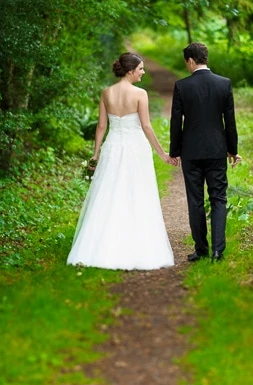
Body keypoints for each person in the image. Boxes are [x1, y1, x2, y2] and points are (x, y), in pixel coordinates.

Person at [67, 52, 175, 270]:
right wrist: (162, 153)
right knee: (137, 193)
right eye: (141, 69)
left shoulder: (107, 93)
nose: (143, 73)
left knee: (109, 193)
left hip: (113, 147)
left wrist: (96, 154)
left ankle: (101, 246)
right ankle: (136, 245)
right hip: (136, 148)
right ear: (130, 71)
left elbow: (101, 127)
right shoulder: (140, 94)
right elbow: (146, 126)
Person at [169, 42, 242, 262]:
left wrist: (175, 151)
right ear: (205, 58)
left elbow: (176, 122)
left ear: (190, 60)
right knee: (219, 198)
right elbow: (230, 121)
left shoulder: (182, 86)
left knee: (195, 200)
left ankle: (201, 249)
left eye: (186, 63)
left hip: (191, 151)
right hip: (217, 150)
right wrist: (232, 150)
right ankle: (218, 251)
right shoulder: (224, 84)